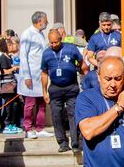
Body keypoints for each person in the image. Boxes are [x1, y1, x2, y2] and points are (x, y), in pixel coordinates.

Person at [41, 30, 84, 153]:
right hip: (55, 88)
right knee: (56, 115)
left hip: (71, 87)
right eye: (51, 42)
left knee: (73, 114)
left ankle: (75, 142)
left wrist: (81, 72)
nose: (54, 45)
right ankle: (62, 142)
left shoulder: (71, 48)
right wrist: (44, 92)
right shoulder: (46, 53)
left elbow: (81, 62)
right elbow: (44, 74)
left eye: (56, 42)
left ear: (61, 39)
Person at [19, 11, 51, 139]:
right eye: (45, 20)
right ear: (39, 21)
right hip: (31, 75)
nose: (47, 23)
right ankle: (28, 127)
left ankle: (39, 127)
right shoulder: (27, 34)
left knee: (42, 101)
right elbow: (23, 55)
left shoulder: (41, 34)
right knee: (30, 104)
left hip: (41, 74)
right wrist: (26, 76)